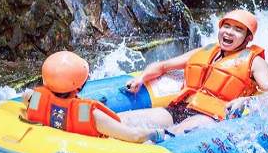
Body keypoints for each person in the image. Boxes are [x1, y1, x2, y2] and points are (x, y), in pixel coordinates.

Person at [119, 9, 268, 135]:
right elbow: (163, 66)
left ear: (248, 38)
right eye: (226, 26)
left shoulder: (255, 62)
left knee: (173, 136)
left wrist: (245, 101)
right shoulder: (204, 52)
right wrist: (141, 78)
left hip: (213, 117)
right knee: (121, 121)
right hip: (181, 109)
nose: (229, 32)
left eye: (238, 29)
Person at [21, 51, 165, 143]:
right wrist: (156, 134)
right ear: (78, 87)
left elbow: (28, 97)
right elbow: (135, 136)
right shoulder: (89, 114)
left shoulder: (33, 98)